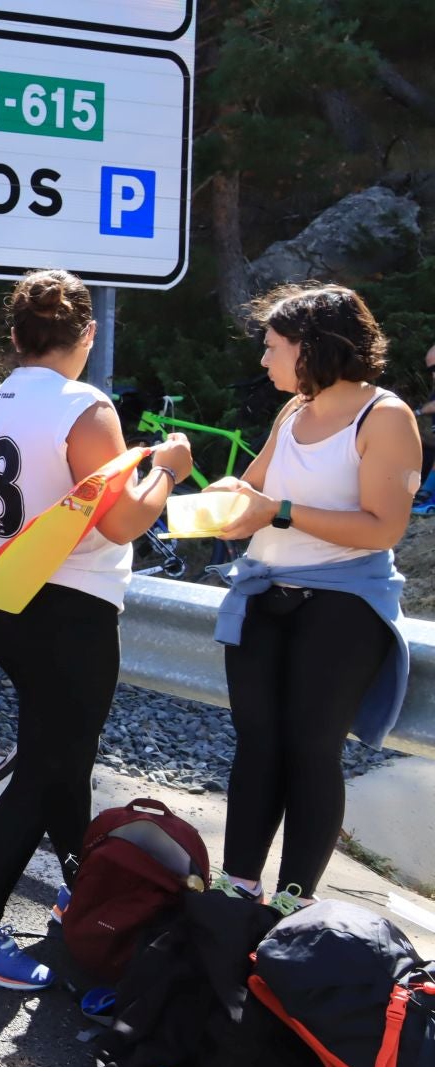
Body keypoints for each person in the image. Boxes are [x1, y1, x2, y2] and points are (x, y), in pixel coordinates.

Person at [0, 270, 191, 992]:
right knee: (47, 768)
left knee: (62, 759)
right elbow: (116, 521)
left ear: (13, 336)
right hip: (69, 607)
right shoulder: (86, 405)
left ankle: (82, 891)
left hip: (4, 600)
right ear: (88, 334)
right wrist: (167, 471)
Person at [206, 282, 418, 905]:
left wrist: (280, 513)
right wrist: (224, 500)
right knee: (257, 746)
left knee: (310, 751)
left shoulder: (387, 416)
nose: (264, 360)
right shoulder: (294, 410)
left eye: (273, 348)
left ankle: (293, 901)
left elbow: (384, 526)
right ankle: (234, 890)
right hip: (264, 596)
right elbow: (255, 490)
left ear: (311, 348)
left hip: (343, 606)